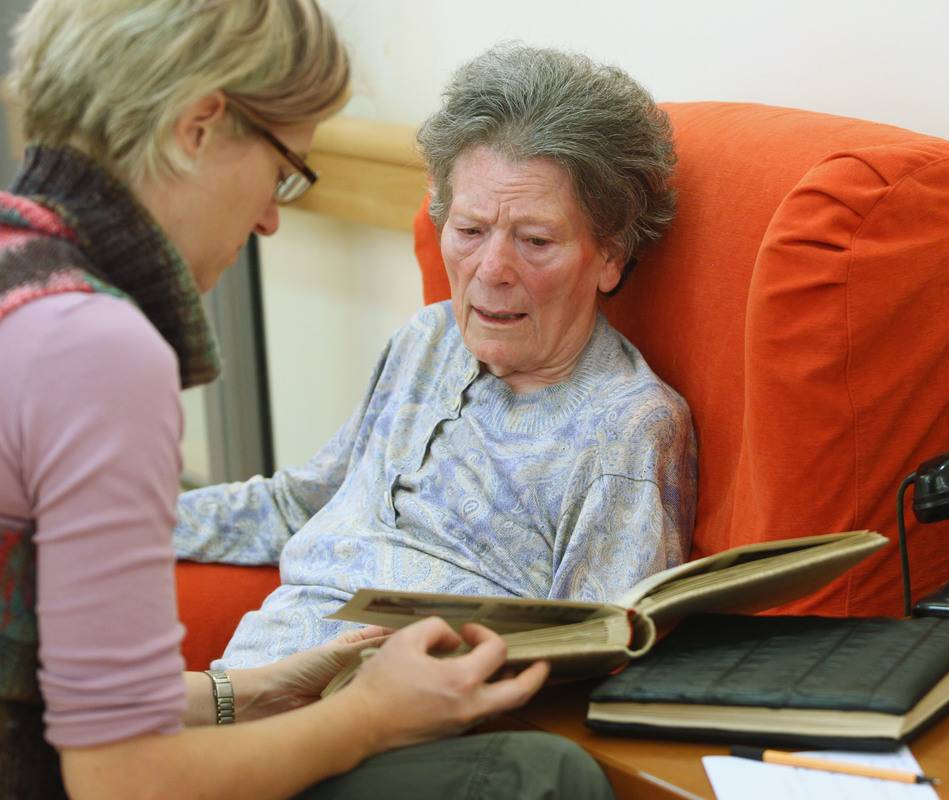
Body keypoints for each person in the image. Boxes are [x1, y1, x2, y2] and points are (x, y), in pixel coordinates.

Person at [0, 4, 611, 799]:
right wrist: (371, 719)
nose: (269, 217)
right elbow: (123, 782)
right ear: (199, 128)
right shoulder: (100, 349)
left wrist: (250, 693)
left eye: (535, 239)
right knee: (542, 777)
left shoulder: (22, 273)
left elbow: (58, 690)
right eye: (281, 168)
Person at [174, 43, 698, 670]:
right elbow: (302, 504)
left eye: (535, 241)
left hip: (399, 716)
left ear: (609, 256)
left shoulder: (627, 428)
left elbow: (596, 654)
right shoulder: (427, 340)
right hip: (256, 678)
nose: (492, 270)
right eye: (471, 231)